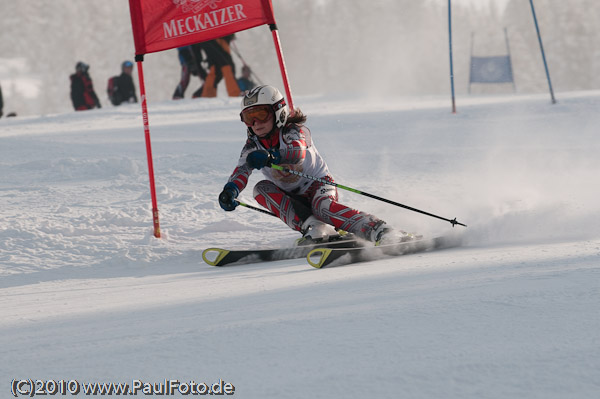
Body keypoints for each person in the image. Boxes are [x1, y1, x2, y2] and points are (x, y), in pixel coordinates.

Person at [218, 85, 399, 245]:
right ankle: (316, 227)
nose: (256, 123)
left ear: (278, 112)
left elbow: (297, 154)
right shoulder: (252, 146)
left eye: (261, 115)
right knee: (260, 189)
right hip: (290, 196)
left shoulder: (293, 131)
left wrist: (272, 156)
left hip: (318, 185)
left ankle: (377, 229)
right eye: (249, 118)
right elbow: (241, 171)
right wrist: (230, 190)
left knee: (322, 207)